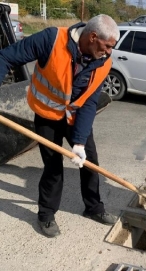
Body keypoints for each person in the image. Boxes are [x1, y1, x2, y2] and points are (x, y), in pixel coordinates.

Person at [0, 14, 120, 238]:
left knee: (90, 163)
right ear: (93, 36)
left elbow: (90, 102)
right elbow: (5, 57)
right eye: (107, 45)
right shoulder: (51, 39)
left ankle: (94, 208)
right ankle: (46, 215)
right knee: (53, 168)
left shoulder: (104, 63)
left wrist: (80, 142)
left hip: (75, 118)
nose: (109, 51)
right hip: (47, 116)